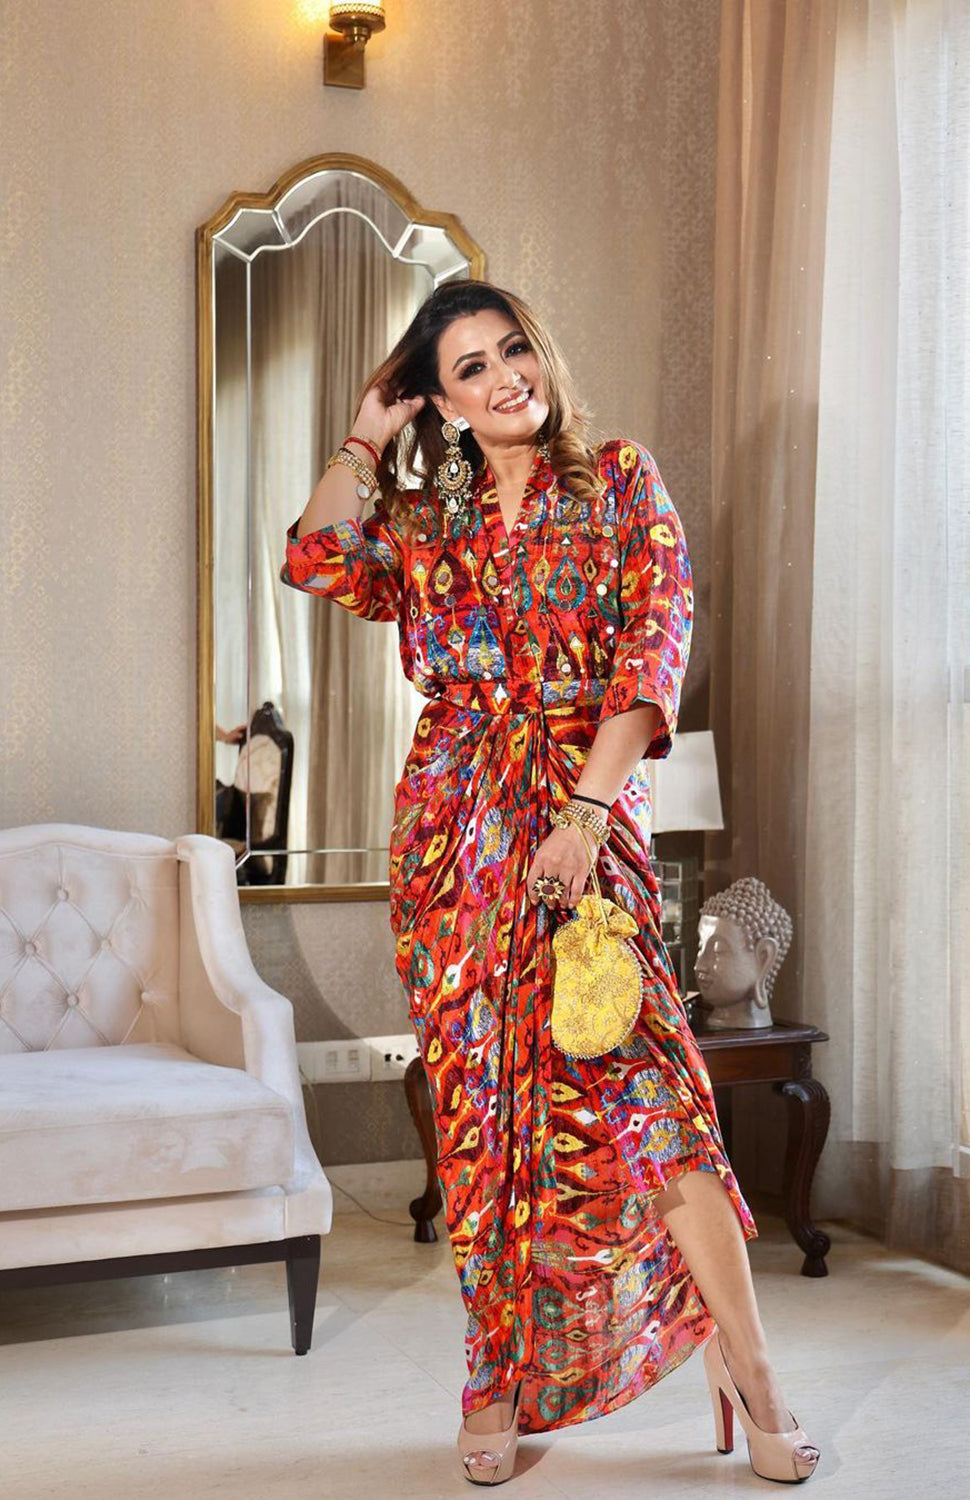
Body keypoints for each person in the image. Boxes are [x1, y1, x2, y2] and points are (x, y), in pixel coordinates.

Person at [280, 280, 820, 1486]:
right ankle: (496, 1375)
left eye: (511, 349)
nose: (502, 377)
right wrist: (365, 435)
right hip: (451, 840)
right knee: (483, 1124)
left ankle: (750, 1365)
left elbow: (651, 652)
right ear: (441, 400)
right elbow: (314, 559)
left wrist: (584, 813)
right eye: (467, 368)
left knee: (656, 1104)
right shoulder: (430, 520)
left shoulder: (620, 480)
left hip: (587, 820)